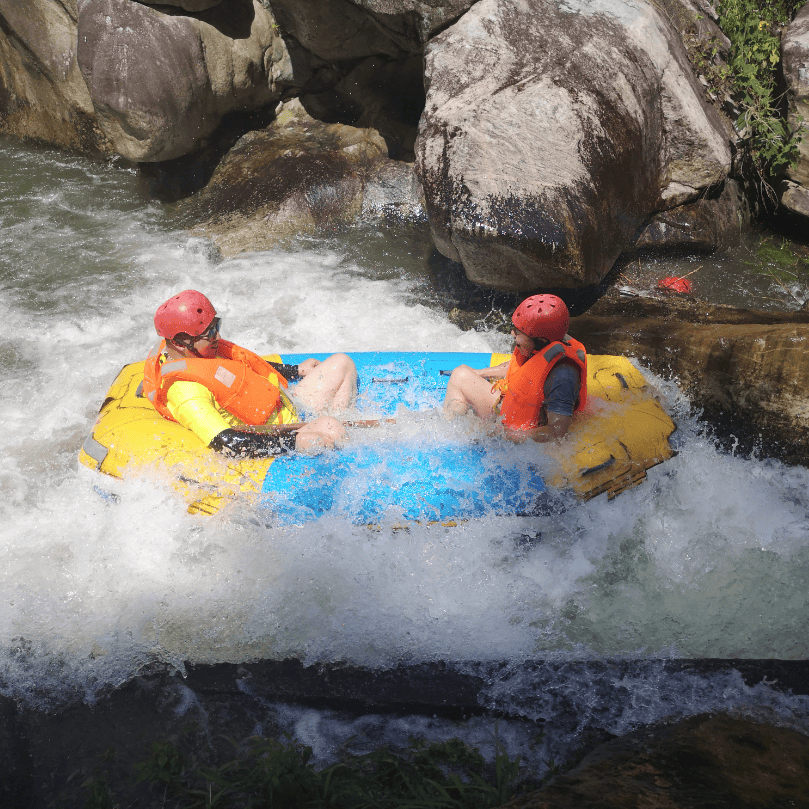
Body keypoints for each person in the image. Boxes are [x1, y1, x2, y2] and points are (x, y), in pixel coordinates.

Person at [141, 290, 358, 457]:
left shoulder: (203, 347)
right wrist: (293, 443)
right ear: (181, 343)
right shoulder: (185, 391)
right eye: (209, 333)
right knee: (331, 427)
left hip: (287, 406)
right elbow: (227, 443)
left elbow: (246, 364)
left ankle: (339, 421)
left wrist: (296, 370)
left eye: (216, 326)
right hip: (274, 433)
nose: (217, 336)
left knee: (342, 363)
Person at [442, 294, 586, 443]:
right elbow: (520, 368)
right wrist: (480, 373)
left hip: (521, 430)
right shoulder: (544, 343)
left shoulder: (563, 377)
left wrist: (503, 434)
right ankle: (453, 427)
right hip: (516, 411)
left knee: (459, 376)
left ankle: (450, 434)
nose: (512, 334)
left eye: (518, 332)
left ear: (540, 340)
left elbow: (557, 432)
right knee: (463, 373)